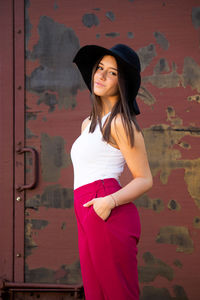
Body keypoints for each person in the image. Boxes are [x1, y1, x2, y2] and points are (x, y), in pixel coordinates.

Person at [70, 44, 153, 300]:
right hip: (86, 210)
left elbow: (145, 179)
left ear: (123, 82)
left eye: (113, 73)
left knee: (117, 293)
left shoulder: (120, 122)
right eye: (100, 68)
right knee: (96, 294)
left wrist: (109, 202)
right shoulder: (88, 123)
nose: (101, 75)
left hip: (107, 207)